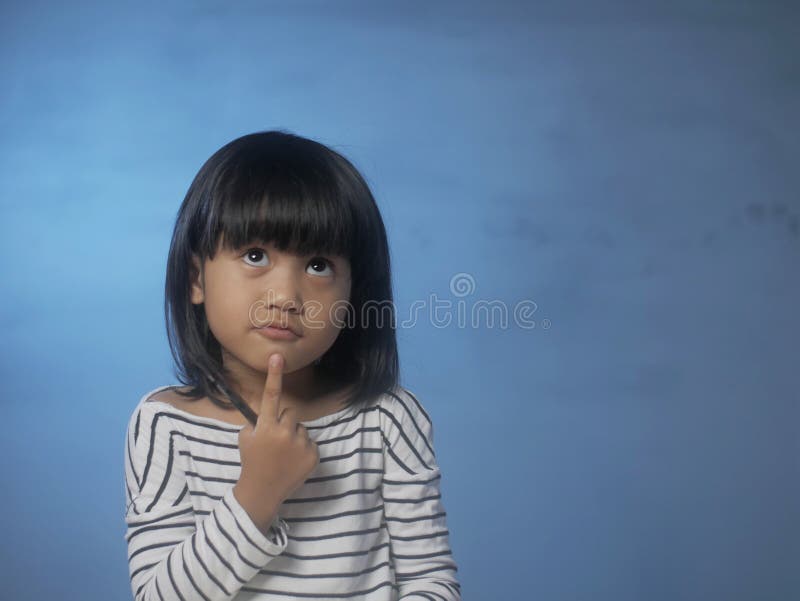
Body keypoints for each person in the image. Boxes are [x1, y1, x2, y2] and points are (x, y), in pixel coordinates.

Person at [123, 130, 461, 600]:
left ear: (352, 294)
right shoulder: (164, 425)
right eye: (255, 256)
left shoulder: (388, 420)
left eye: (319, 266)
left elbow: (431, 582)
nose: (285, 297)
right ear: (196, 278)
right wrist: (257, 492)